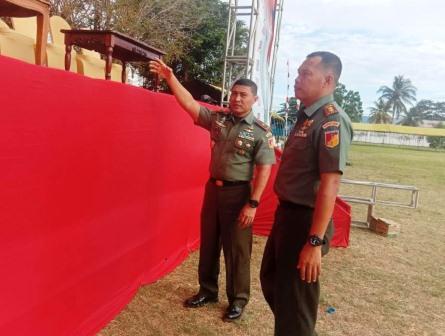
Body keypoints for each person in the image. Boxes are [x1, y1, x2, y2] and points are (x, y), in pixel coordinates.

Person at [149, 59, 276, 321]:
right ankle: (207, 290)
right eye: (234, 93)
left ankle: (238, 300)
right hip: (213, 191)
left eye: (243, 95)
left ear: (254, 99)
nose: (237, 99)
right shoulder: (219, 119)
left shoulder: (260, 132)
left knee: (237, 251)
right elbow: (191, 106)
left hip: (239, 194)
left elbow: (264, 169)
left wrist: (252, 204)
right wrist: (171, 78)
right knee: (209, 243)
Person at [260, 51, 353, 335]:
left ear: (327, 80)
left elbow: (330, 184)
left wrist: (314, 242)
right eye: (298, 73)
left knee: (296, 303)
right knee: (272, 282)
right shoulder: (305, 117)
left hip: (306, 222)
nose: (297, 80)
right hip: (287, 216)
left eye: (305, 74)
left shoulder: (330, 122)